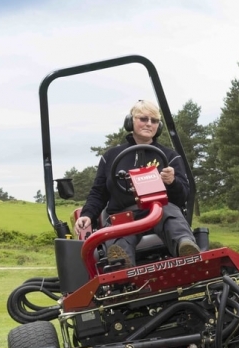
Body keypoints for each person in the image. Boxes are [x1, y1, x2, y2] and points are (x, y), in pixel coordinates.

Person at [74, 100, 200, 268]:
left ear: (159, 126)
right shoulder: (111, 157)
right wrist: (87, 214)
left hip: (158, 209)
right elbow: (98, 193)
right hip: (125, 215)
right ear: (130, 122)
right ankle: (121, 261)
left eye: (154, 121)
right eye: (143, 119)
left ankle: (185, 246)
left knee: (170, 213)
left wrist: (172, 182)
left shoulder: (170, 157)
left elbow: (183, 195)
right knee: (118, 233)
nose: (149, 124)